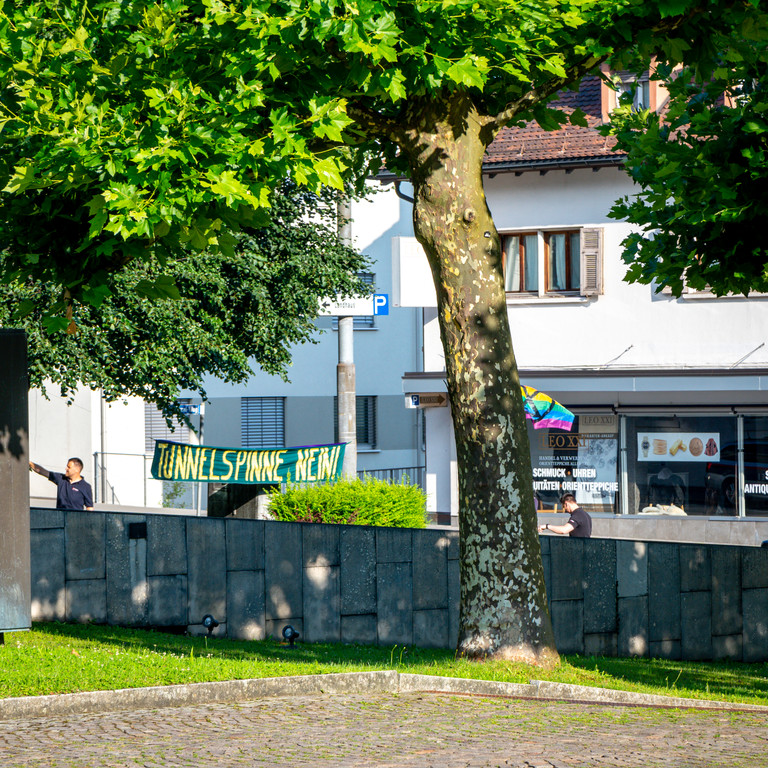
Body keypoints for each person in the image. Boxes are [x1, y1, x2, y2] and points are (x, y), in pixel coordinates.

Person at [29, 457, 94, 511]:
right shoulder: (61, 479)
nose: (66, 468)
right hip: (60, 519)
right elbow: (42, 471)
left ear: (77, 469)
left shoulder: (86, 487)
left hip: (75, 520)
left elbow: (89, 508)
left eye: (69, 467)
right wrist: (29, 463)